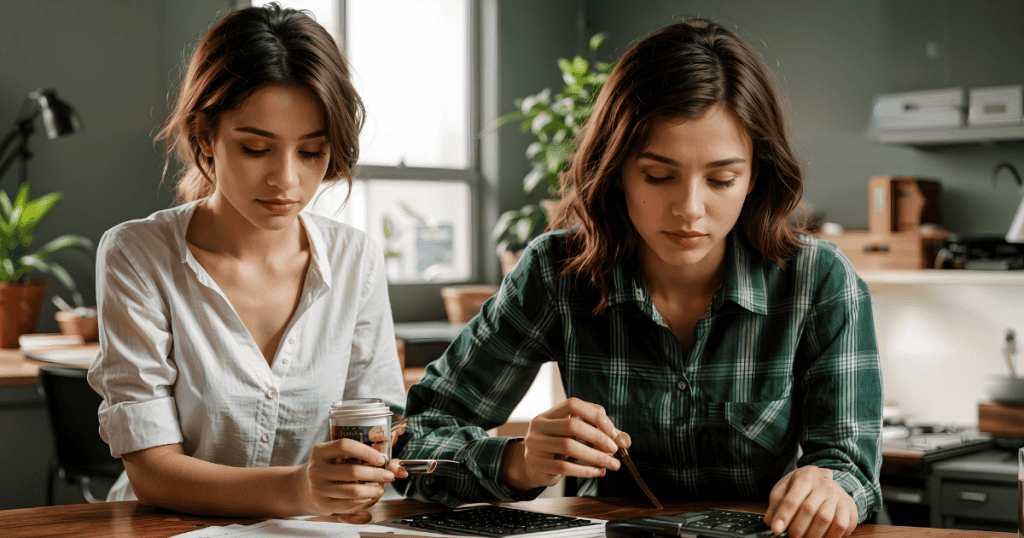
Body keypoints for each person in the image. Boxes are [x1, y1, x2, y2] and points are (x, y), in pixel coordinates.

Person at [395, 19, 881, 538]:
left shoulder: (820, 282)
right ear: (616, 169)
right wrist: (518, 462)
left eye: (721, 179)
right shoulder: (557, 272)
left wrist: (832, 488)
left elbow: (850, 468)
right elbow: (413, 440)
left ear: (755, 176)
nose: (689, 209)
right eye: (658, 176)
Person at [86, 3, 408, 518]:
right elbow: (151, 471)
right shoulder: (137, 254)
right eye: (256, 149)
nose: (287, 181)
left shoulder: (356, 259)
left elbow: (378, 424)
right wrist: (301, 489)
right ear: (204, 137)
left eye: (311, 152)